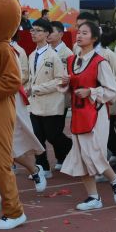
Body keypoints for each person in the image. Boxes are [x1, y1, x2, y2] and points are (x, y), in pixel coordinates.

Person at [60, 21, 116, 211]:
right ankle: (93, 196)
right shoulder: (72, 60)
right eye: (78, 32)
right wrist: (67, 83)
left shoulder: (100, 62)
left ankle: (115, 179)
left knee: (94, 153)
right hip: (78, 114)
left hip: (95, 115)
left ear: (94, 38)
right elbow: (69, 88)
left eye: (84, 33)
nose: (79, 36)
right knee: (81, 156)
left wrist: (91, 92)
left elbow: (112, 90)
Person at [27, 18, 72, 177]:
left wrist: (35, 89)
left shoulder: (54, 56)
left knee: (54, 136)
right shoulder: (32, 55)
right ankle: (43, 167)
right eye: (32, 30)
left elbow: (60, 80)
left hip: (52, 104)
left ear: (47, 34)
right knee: (36, 137)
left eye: (38, 30)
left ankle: (73, 150)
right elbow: (31, 78)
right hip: (35, 104)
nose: (34, 33)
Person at [7, 29, 47, 192]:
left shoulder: (16, 51)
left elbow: (21, 76)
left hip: (12, 100)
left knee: (14, 144)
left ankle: (35, 170)